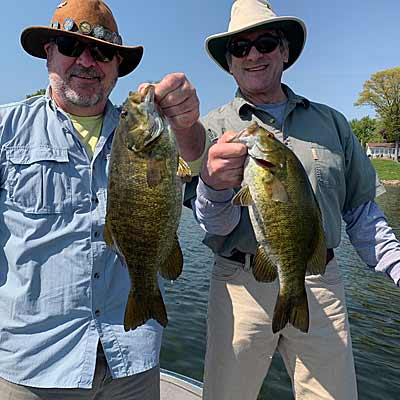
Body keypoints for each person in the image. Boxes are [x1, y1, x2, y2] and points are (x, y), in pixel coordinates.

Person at [185, 0, 400, 399]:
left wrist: (397, 266)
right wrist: (214, 187)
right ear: (229, 63)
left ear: (284, 52)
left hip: (320, 282)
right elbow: (212, 225)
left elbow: (361, 213)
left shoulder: (332, 123)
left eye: (265, 43)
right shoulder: (209, 129)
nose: (253, 55)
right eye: (240, 49)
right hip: (238, 286)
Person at [0, 0, 205, 399]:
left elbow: (199, 174)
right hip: (34, 366)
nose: (88, 61)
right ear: (49, 53)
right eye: (71, 46)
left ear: (116, 66)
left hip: (133, 360)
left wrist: (187, 124)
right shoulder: (4, 130)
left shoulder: (156, 134)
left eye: (103, 52)